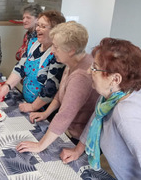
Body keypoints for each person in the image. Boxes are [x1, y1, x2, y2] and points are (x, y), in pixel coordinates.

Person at [60, 38, 141, 180]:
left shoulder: (126, 114)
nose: (88, 71)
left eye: (95, 68)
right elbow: (95, 119)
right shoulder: (113, 95)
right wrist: (77, 150)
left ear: (115, 79)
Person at [16, 21, 99, 153]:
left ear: (71, 50)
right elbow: (61, 92)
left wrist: (40, 146)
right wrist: (46, 113)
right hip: (74, 130)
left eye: (56, 47)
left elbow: (65, 115)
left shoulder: (81, 76)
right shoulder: (72, 61)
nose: (52, 50)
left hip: (84, 137)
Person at [0, 10, 66, 113]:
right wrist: (7, 86)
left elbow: (51, 87)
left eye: (43, 26)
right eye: (38, 25)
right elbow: (20, 68)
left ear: (55, 31)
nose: (37, 29)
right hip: (26, 102)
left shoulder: (56, 53)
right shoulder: (33, 43)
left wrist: (33, 107)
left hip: (43, 109)